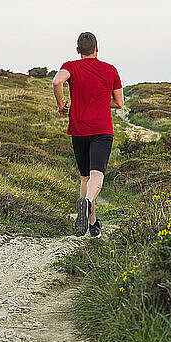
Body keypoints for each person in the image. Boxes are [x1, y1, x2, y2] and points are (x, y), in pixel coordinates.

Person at [52, 32, 124, 238]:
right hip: (102, 129)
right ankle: (88, 202)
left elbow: (57, 82)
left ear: (77, 50)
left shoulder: (71, 66)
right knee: (96, 174)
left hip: (79, 128)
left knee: (85, 177)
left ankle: (92, 224)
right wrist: (102, 101)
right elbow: (119, 103)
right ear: (97, 48)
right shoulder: (110, 70)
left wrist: (61, 104)